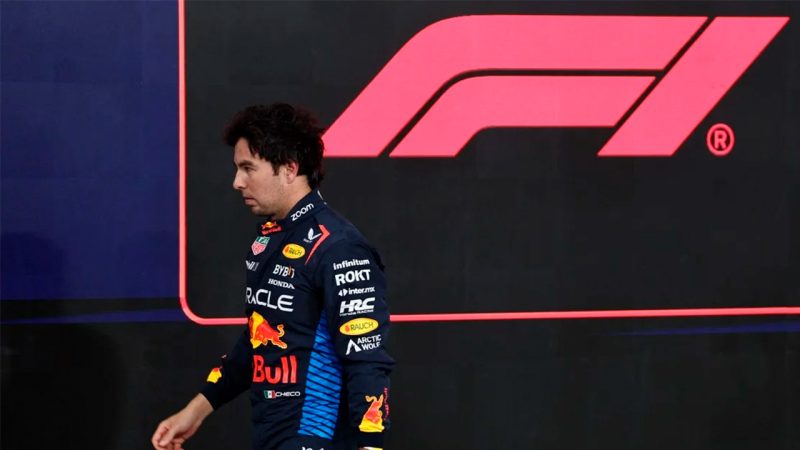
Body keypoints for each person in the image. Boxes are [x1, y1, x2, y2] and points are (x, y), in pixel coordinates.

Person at [152, 104, 393, 450]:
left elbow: (366, 361)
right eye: (237, 169)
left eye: (248, 168)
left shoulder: (339, 247)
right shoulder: (269, 240)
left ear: (290, 168)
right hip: (272, 438)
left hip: (318, 439)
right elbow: (259, 339)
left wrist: (371, 447)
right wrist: (196, 411)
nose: (237, 182)